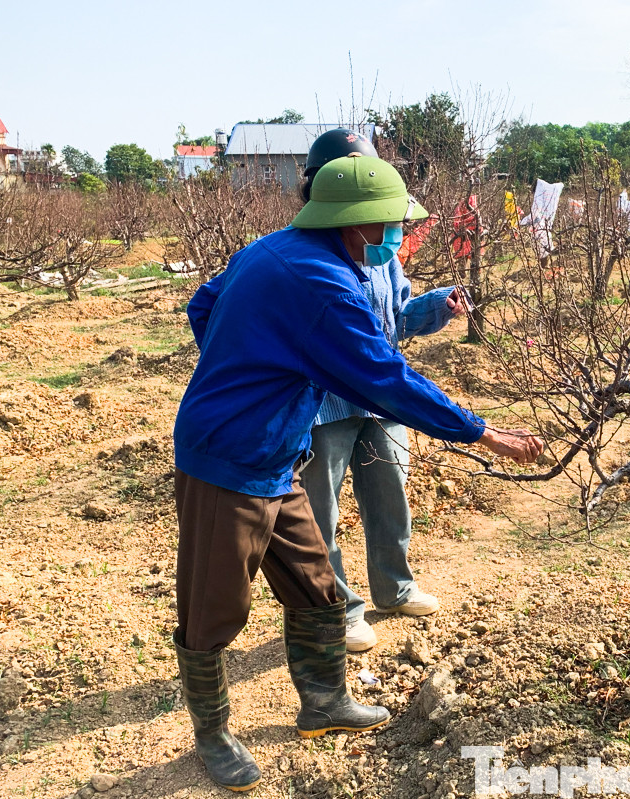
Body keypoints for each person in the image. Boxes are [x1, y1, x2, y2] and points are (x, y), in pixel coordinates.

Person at [172, 154, 543, 792]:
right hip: (227, 459)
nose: (397, 235)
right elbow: (385, 378)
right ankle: (212, 734)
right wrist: (483, 432)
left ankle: (323, 702)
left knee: (317, 585)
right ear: (360, 224)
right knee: (213, 607)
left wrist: (261, 363)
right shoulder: (320, 285)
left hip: (278, 454)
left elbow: (202, 307)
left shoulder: (275, 249)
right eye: (393, 224)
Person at [295, 130, 464, 654]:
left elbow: (397, 319)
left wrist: (438, 306)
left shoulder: (381, 249)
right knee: (322, 511)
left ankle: (394, 586)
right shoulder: (308, 259)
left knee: (391, 498)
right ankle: (340, 610)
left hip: (381, 400)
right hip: (326, 406)